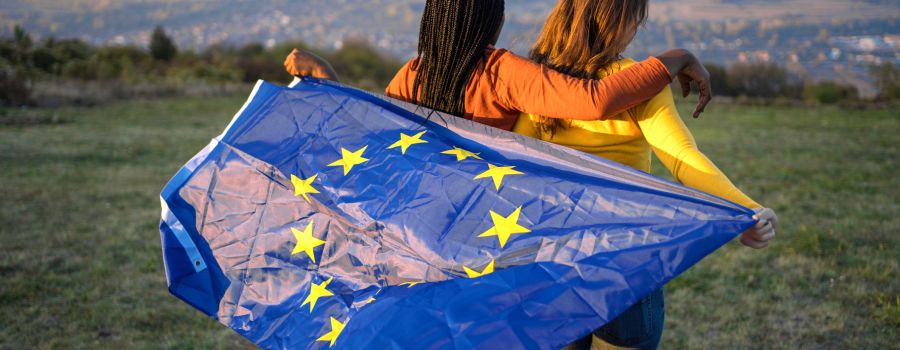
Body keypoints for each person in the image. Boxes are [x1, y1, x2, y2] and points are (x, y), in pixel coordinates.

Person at [512, 1, 778, 349]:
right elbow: (682, 158)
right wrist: (747, 210)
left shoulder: (537, 81)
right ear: (613, 21)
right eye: (635, 19)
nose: (637, 29)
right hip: (625, 260)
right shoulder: (635, 81)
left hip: (553, 260)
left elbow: (515, 160)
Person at [285, 0, 716, 132]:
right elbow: (597, 99)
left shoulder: (411, 75)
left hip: (422, 228)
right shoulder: (501, 72)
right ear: (491, 21)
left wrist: (329, 80)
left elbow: (370, 138)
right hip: (485, 232)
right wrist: (678, 57)